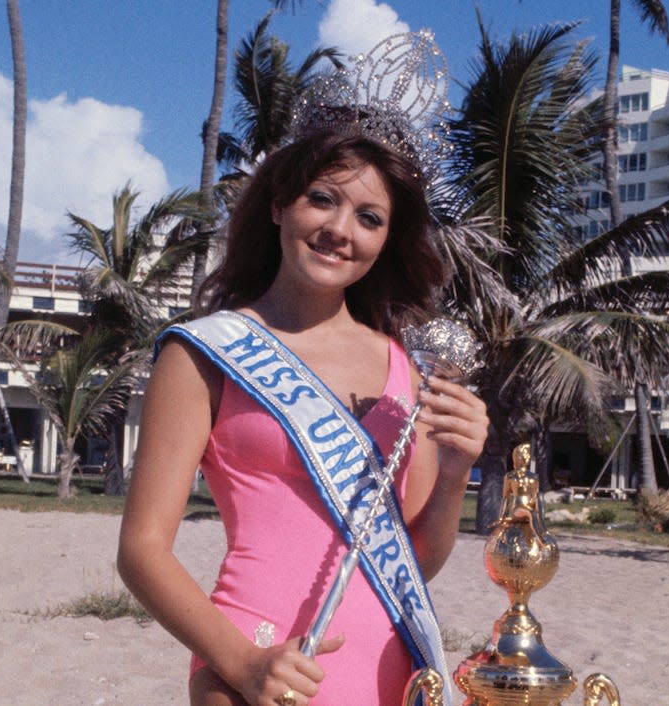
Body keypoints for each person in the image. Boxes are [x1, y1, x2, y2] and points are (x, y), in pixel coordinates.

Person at [118, 31, 488, 706]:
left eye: (369, 217)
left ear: (386, 241)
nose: (341, 229)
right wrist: (243, 663)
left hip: (388, 670)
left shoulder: (406, 368)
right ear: (279, 204)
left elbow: (413, 561)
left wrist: (458, 471)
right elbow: (142, 549)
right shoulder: (205, 351)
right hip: (255, 661)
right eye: (323, 198)